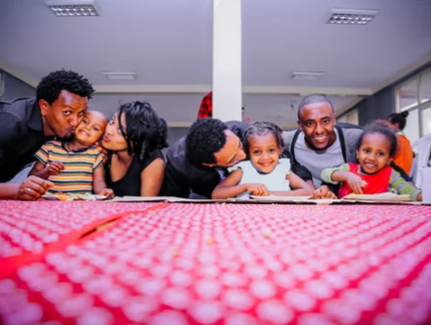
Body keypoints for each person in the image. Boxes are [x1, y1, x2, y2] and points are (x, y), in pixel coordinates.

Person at [161, 118, 335, 199]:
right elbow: (175, 203)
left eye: (239, 146)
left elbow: (291, 165)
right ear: (209, 164)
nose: (244, 156)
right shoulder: (179, 165)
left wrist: (312, 194)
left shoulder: (247, 134)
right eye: (232, 159)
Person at [0, 69, 94, 200]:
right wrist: (16, 190)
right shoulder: (10, 122)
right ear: (44, 107)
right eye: (67, 112)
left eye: (81, 113)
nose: (75, 122)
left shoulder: (65, 129)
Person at [321, 121, 422, 201]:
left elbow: (410, 191)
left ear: (389, 159)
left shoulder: (391, 174)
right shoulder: (348, 169)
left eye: (380, 154)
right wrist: (347, 176)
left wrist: (421, 195)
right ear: (358, 152)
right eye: (367, 151)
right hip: (346, 218)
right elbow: (325, 173)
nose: (371, 158)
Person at [212, 122, 312, 199]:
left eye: (271, 150)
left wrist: (271, 194)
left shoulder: (283, 168)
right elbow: (216, 194)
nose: (265, 157)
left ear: (280, 149)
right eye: (257, 152)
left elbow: (307, 191)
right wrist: (245, 187)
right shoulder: (243, 169)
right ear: (248, 152)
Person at [283, 94, 363, 190]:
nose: (319, 130)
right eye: (310, 123)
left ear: (334, 120)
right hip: (305, 202)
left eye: (325, 121)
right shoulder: (286, 142)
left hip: (343, 202)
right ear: (300, 125)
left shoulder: (355, 139)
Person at [28, 111, 113, 199]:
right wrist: (47, 171)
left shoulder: (95, 154)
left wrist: (103, 192)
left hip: (81, 204)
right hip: (49, 202)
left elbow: (99, 181)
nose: (87, 127)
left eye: (95, 128)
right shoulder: (50, 147)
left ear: (100, 139)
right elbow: (31, 177)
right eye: (85, 121)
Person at [101, 101, 168, 197]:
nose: (109, 131)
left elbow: (146, 206)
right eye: (112, 122)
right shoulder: (102, 149)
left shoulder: (152, 160)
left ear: (136, 139)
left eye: (120, 131)